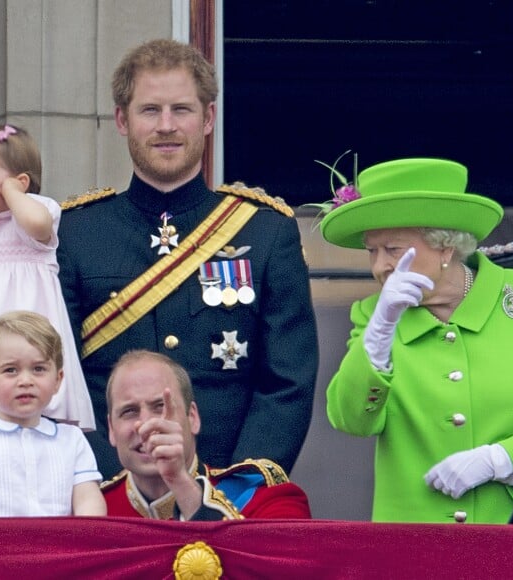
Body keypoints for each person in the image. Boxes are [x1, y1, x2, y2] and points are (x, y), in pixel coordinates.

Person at [57, 39, 318, 479]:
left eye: (181, 109)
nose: (166, 126)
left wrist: (237, 489)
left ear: (208, 118)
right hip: (105, 496)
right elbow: (60, 380)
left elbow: (287, 383)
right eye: (149, 110)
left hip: (229, 496)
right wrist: (109, 486)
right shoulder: (75, 233)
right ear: (122, 120)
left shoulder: (265, 231)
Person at [320, 156, 513, 524]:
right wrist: (379, 332)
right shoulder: (373, 316)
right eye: (372, 251)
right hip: (413, 550)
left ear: (445, 247)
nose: (379, 267)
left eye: (393, 249)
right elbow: (351, 420)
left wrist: (504, 460)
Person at [0, 124, 95, 430]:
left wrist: (11, 193)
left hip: (25, 337)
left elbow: (38, 225)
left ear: (20, 182)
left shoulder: (34, 211)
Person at [102, 349, 311, 520]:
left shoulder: (265, 499)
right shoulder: (93, 512)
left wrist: (180, 482)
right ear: (111, 429)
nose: (146, 425)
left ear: (192, 417)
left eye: (160, 407)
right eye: (129, 411)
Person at [0, 310, 106, 516]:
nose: (26, 380)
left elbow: (88, 501)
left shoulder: (72, 440)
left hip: (56, 547)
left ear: (57, 380)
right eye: (11, 370)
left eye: (38, 369)